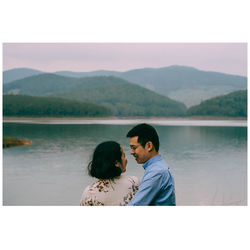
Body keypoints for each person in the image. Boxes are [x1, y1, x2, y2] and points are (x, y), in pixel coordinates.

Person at [126, 123, 176, 206]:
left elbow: (136, 205)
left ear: (149, 146)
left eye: (134, 148)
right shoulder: (156, 168)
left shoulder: (157, 172)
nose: (131, 152)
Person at [80, 141, 139, 206]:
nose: (126, 159)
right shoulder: (133, 182)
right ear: (116, 163)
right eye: (124, 156)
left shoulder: (89, 192)